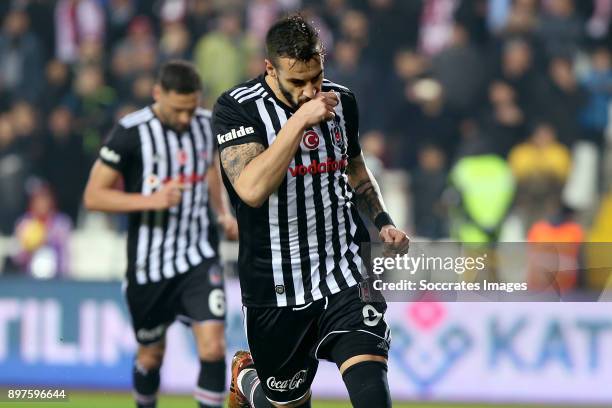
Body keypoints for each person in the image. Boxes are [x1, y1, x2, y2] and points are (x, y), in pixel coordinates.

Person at [213, 16, 409, 408]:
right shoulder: (237, 109)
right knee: (285, 403)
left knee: (373, 393)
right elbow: (251, 189)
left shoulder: (342, 101)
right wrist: (299, 120)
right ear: (270, 68)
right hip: (275, 285)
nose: (310, 91)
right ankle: (248, 379)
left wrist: (383, 219)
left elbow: (354, 165)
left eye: (315, 78)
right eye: (297, 83)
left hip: (345, 272)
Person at [84, 60, 237, 408]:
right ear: (157, 94)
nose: (186, 118)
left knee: (213, 347)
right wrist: (150, 200)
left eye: (192, 108)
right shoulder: (130, 131)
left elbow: (210, 166)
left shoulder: (205, 123)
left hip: (200, 256)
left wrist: (223, 213)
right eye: (178, 109)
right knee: (151, 356)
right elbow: (94, 196)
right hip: (149, 265)